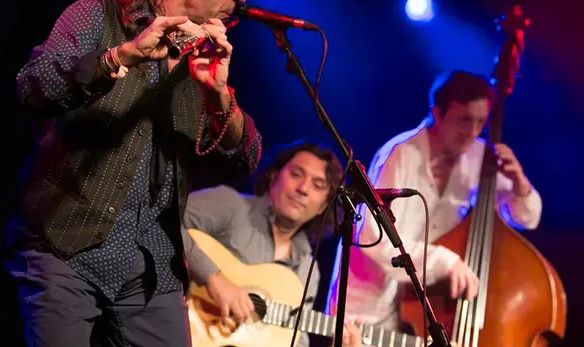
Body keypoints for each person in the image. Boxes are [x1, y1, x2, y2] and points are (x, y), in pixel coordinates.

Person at [3, 0, 262, 346]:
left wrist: (219, 96)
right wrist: (119, 57)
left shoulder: (208, 55)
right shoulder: (97, 18)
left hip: (151, 266)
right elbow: (33, 87)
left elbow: (246, 160)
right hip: (64, 246)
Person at [328, 70, 543, 332]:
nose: (472, 132)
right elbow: (375, 238)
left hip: (421, 307)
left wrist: (519, 182)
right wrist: (445, 261)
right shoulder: (399, 154)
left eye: (480, 123)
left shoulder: (480, 156)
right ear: (437, 113)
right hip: (367, 301)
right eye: (464, 121)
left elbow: (525, 218)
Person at [182, 141, 362, 347]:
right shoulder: (230, 205)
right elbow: (161, 222)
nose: (303, 189)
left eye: (318, 186)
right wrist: (213, 278)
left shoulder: (307, 268)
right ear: (273, 176)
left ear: (324, 205)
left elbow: (296, 342)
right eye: (296, 174)